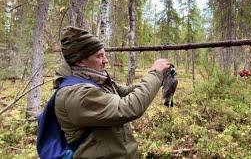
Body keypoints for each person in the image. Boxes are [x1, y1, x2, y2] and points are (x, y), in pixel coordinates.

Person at [54, 26, 170, 158]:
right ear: (80, 61)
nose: (106, 60)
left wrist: (158, 80)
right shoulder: (77, 94)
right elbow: (127, 107)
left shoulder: (93, 79)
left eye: (104, 54)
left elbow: (124, 92)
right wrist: (155, 74)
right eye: (99, 56)